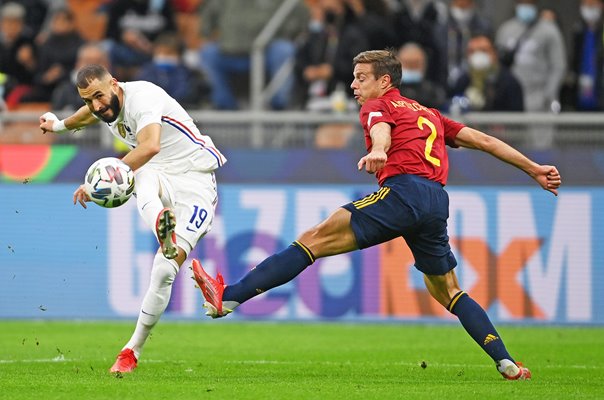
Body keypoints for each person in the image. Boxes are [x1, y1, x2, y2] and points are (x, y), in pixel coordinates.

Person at [192, 49, 562, 380]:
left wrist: (381, 151)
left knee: (313, 239)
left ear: (385, 81)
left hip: (404, 193)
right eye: (354, 77)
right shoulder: (430, 114)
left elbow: (380, 130)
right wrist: (533, 168)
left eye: (361, 78)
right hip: (435, 201)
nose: (354, 85)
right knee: (448, 290)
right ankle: (506, 362)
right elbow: (484, 140)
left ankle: (229, 297)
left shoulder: (377, 106)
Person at [38, 64, 226, 374]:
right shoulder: (101, 106)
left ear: (114, 84)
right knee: (139, 176)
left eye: (99, 95)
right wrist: (59, 125)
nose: (97, 105)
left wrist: (100, 181)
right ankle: (130, 353)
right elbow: (87, 115)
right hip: (159, 175)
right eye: (88, 99)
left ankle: (135, 340)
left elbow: (150, 145)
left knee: (165, 271)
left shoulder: (144, 97)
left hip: (196, 183)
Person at [448, 34, 524, 112]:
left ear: (494, 53)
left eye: (483, 50)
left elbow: (517, 116)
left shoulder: (509, 82)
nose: (478, 55)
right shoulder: (463, 81)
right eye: (472, 51)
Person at [568, 0, 604, 111]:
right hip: (580, 95)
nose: (589, 8)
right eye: (586, 5)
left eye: (593, 5)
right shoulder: (578, 31)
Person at [397, 42, 446, 110]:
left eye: (415, 64)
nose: (411, 68)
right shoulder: (387, 93)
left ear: (424, 65)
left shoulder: (434, 94)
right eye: (408, 64)